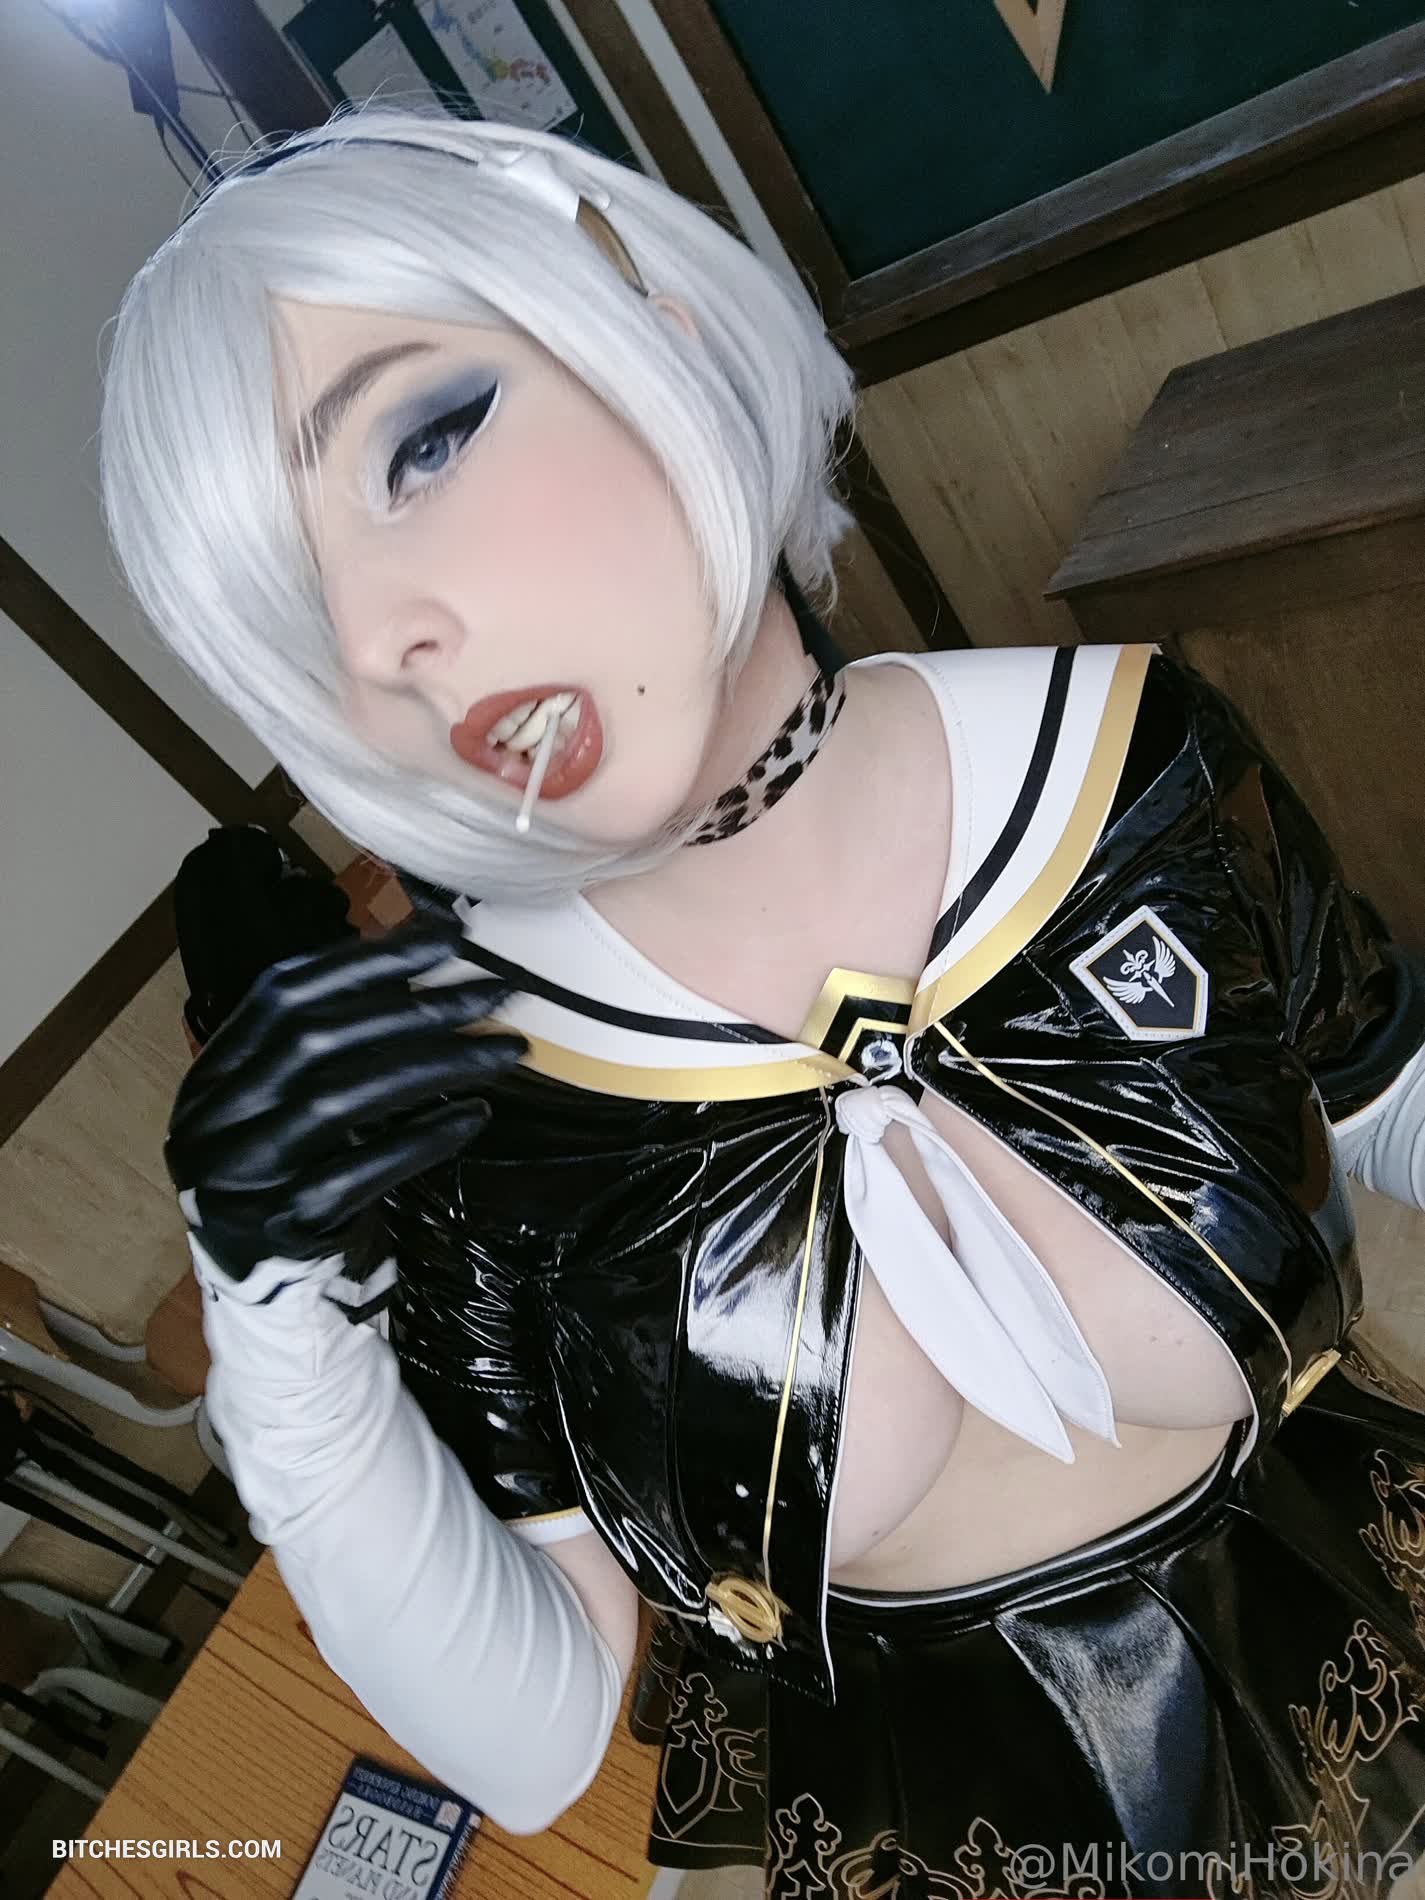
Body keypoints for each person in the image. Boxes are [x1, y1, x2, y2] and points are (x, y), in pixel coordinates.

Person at [98, 103, 1425, 1897]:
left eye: (424, 440)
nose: (378, 639)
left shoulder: (1134, 759)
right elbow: (532, 1742)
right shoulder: (471, 1088)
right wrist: (277, 1321)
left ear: (665, 335)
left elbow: (1382, 1092)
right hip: (931, 1818)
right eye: (289, 603)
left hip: (1352, 1609)